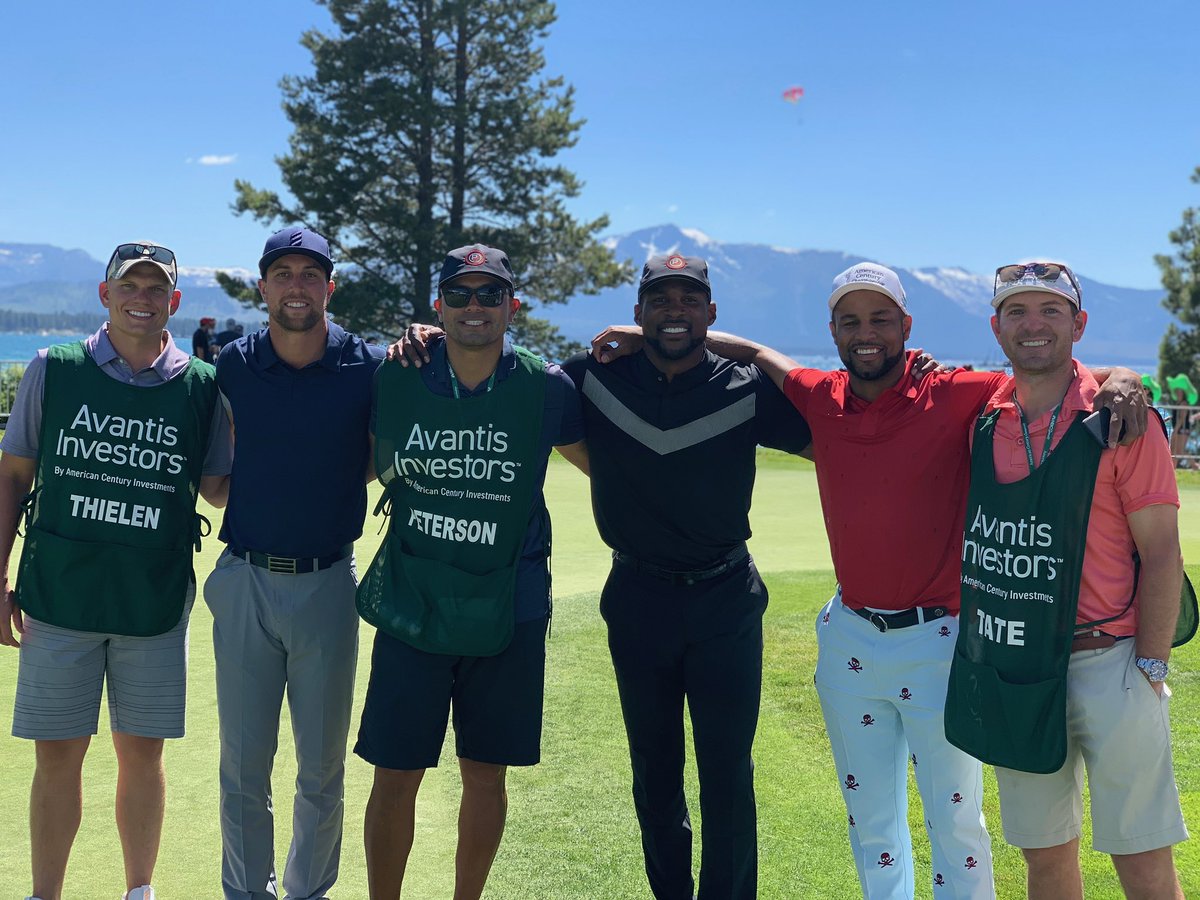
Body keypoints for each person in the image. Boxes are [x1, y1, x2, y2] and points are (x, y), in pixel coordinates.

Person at [593, 261, 1146, 899]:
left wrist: (1124, 376)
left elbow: (1049, 377)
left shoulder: (959, 391)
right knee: (872, 825)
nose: (867, 334)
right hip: (849, 640)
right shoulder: (819, 394)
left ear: (906, 325)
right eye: (851, 321)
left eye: (881, 319)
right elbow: (757, 352)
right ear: (832, 330)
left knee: (957, 822)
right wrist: (645, 335)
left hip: (941, 640)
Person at [565, 254, 813, 899]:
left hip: (725, 598)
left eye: (688, 299)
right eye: (660, 299)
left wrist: (751, 350)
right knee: (653, 768)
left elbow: (836, 426)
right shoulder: (593, 376)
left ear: (711, 314)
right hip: (637, 597)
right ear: (638, 311)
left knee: (727, 770)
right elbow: (516, 390)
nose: (674, 310)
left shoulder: (746, 385)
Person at [944, 261, 1188, 899]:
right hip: (1018, 667)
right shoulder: (985, 420)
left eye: (1051, 311)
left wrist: (1151, 670)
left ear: (1079, 324)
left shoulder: (1123, 420)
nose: (1034, 325)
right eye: (1018, 312)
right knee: (1044, 856)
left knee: (1141, 857)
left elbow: (1162, 554)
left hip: (1113, 661)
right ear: (996, 328)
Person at [0, 241, 232, 900]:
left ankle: (139, 891)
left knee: (143, 755)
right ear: (105, 295)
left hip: (152, 602)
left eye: (156, 289)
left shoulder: (203, 387)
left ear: (174, 302)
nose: (142, 298)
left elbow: (218, 487)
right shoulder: (55, 368)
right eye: (129, 286)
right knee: (57, 758)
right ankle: (45, 894)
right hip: (58, 596)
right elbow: (13, 476)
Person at [354, 243, 587, 900]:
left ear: (513, 305)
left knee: (486, 773)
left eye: (490, 293)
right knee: (395, 773)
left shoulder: (546, 386)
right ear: (438, 305)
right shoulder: (397, 375)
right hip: (412, 600)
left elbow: (612, 469)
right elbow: (355, 463)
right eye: (460, 293)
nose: (475, 306)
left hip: (509, 605)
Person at [206, 227, 385, 900]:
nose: (297, 286)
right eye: (283, 273)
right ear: (263, 288)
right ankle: (248, 892)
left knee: (321, 768)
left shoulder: (365, 365)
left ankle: (308, 891)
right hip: (245, 579)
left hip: (328, 584)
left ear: (329, 288)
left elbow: (375, 453)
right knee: (244, 768)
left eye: (311, 274)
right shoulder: (232, 364)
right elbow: (210, 462)